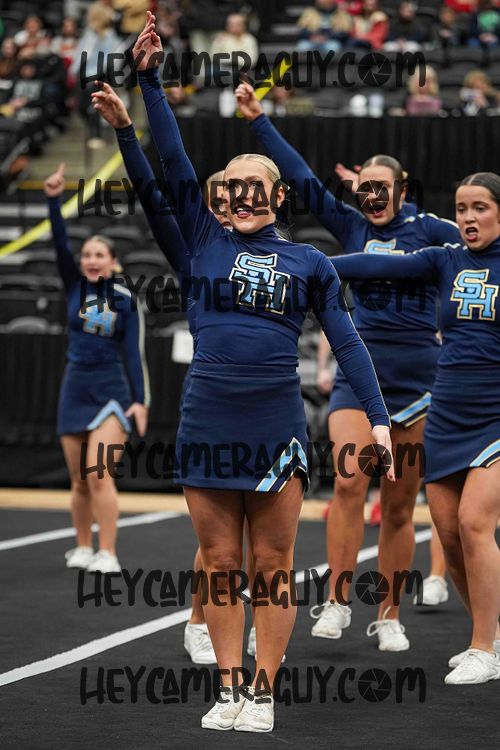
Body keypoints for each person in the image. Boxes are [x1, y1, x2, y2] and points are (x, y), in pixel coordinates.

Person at [132, 11, 393, 732]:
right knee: (218, 561)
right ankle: (226, 687)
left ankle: (264, 690)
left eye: (258, 186)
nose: (244, 195)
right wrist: (149, 85)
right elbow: (172, 162)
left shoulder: (309, 262)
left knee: (272, 564)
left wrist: (376, 417)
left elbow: (346, 341)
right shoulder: (202, 244)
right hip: (206, 422)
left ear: (277, 198)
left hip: (274, 426)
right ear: (222, 199)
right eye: (234, 186)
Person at [236, 80, 462, 651]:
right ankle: (337, 600)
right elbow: (302, 179)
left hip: (420, 384)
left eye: (383, 188)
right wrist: (259, 119)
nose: (373, 197)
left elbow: (478, 252)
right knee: (346, 482)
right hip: (361, 378)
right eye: (365, 189)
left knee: (399, 505)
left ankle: (388, 614)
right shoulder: (352, 224)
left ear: (402, 189)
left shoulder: (432, 230)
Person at [329, 172, 500, 684]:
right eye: (462, 208)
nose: (468, 217)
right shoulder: (444, 259)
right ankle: (489, 635)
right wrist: (309, 264)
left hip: (495, 412)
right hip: (446, 411)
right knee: (449, 534)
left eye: (480, 207)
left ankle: (482, 647)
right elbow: (375, 264)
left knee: (473, 522)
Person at [43, 163, 150, 574]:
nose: (90, 260)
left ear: (113, 262)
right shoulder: (74, 286)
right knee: (78, 479)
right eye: (86, 255)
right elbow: (58, 243)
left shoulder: (125, 299)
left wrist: (140, 401)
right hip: (75, 386)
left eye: (98, 255)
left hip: (111, 391)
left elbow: (134, 354)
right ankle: (83, 546)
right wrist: (54, 200)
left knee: (99, 474)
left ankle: (108, 551)